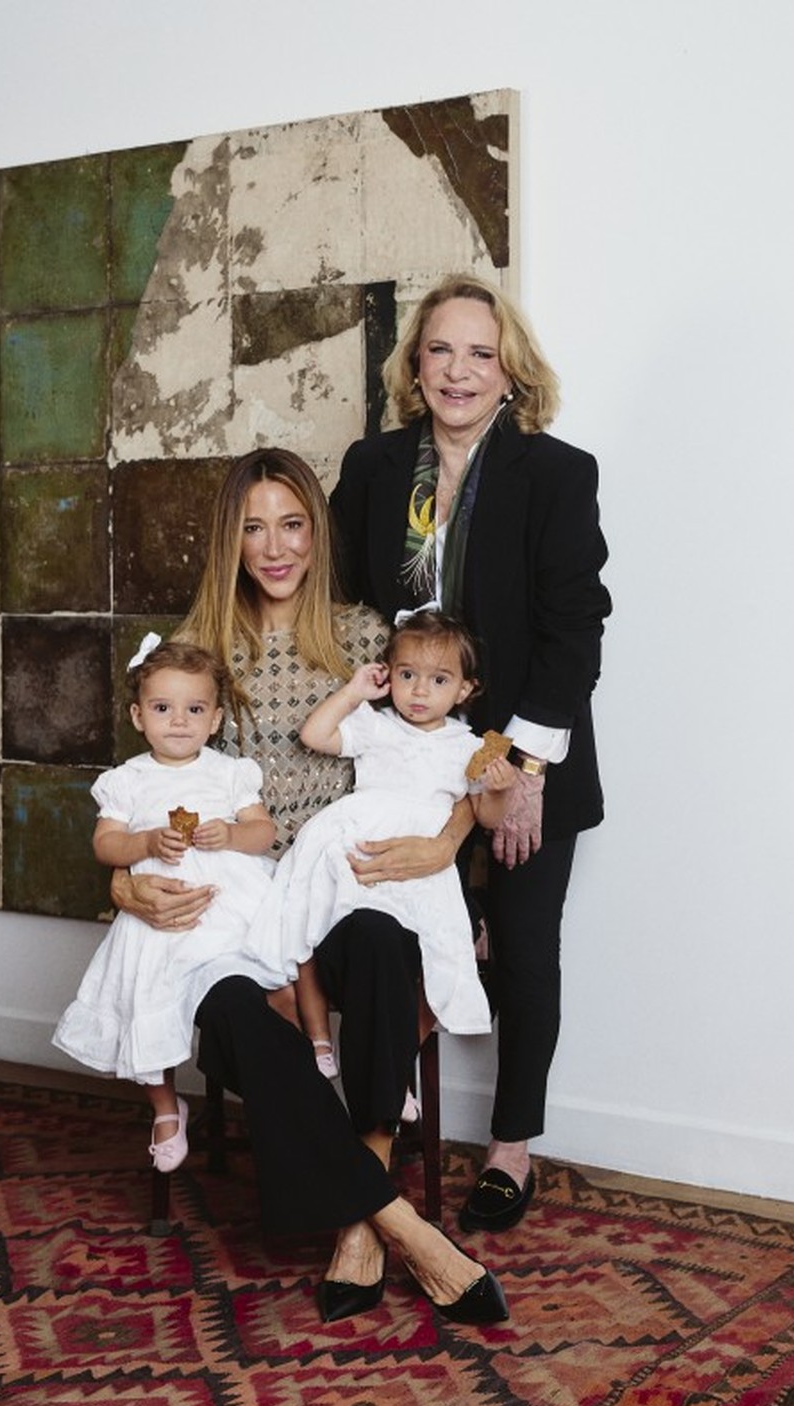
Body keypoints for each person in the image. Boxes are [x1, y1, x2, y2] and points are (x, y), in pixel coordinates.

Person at [109, 450, 500, 1323]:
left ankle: (359, 1218)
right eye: (253, 526)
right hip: (229, 895)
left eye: (292, 523)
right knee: (240, 1010)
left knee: (371, 942)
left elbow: (457, 760)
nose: (274, 546)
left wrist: (443, 846)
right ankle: (397, 1222)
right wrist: (129, 891)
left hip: (344, 881)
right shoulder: (194, 647)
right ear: (230, 538)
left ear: (316, 531)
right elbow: (136, 790)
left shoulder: (370, 638)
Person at [330, 273, 611, 1234]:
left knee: (525, 950)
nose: (459, 370)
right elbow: (344, 600)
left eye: (480, 353)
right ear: (416, 364)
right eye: (441, 350)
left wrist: (523, 772)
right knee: (385, 938)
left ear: (510, 370)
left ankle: (510, 1148)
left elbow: (576, 629)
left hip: (518, 749)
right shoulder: (373, 467)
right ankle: (382, 1123)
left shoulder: (556, 473)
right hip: (406, 752)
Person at [246, 610, 518, 1077]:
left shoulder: (468, 747)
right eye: (407, 675)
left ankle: (393, 1068)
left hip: (421, 854)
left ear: (465, 690)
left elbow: (488, 817)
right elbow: (315, 734)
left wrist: (500, 788)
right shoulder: (377, 724)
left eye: (438, 680)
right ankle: (320, 1038)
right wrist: (354, 691)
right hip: (361, 836)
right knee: (311, 918)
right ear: (388, 674)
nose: (418, 690)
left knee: (444, 947)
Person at [53, 637, 284, 1173]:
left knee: (275, 982)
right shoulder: (128, 780)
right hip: (157, 915)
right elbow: (105, 845)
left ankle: (289, 1086)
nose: (179, 722)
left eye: (195, 709)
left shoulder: (229, 773)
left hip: (226, 908)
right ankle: (165, 1107)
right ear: (138, 715)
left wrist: (230, 833)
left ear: (215, 717)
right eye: (162, 709)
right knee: (144, 996)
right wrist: (148, 844)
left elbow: (264, 832)